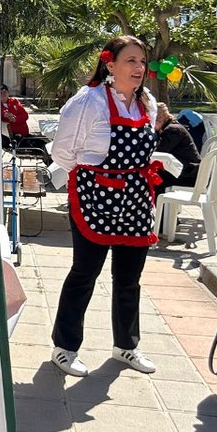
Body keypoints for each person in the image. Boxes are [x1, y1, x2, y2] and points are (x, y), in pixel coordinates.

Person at [49, 35, 160, 378]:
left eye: (142, 61)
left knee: (129, 277)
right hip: (94, 195)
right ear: (110, 64)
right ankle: (64, 348)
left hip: (136, 197)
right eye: (131, 60)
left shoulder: (147, 104)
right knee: (85, 273)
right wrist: (95, 178)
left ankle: (126, 345)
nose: (139, 68)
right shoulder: (88, 102)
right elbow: (63, 152)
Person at [154, 102, 200, 190]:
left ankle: (157, 203)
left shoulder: (173, 130)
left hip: (189, 175)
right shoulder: (172, 127)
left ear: (160, 118)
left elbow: (158, 151)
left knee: (154, 177)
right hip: (187, 171)